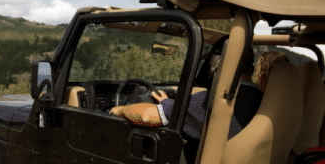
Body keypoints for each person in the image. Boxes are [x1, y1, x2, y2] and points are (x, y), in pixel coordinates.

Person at [110, 50, 289, 139]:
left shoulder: (221, 100)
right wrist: (167, 103)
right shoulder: (267, 101)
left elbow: (147, 116)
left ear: (221, 66)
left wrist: (118, 110)